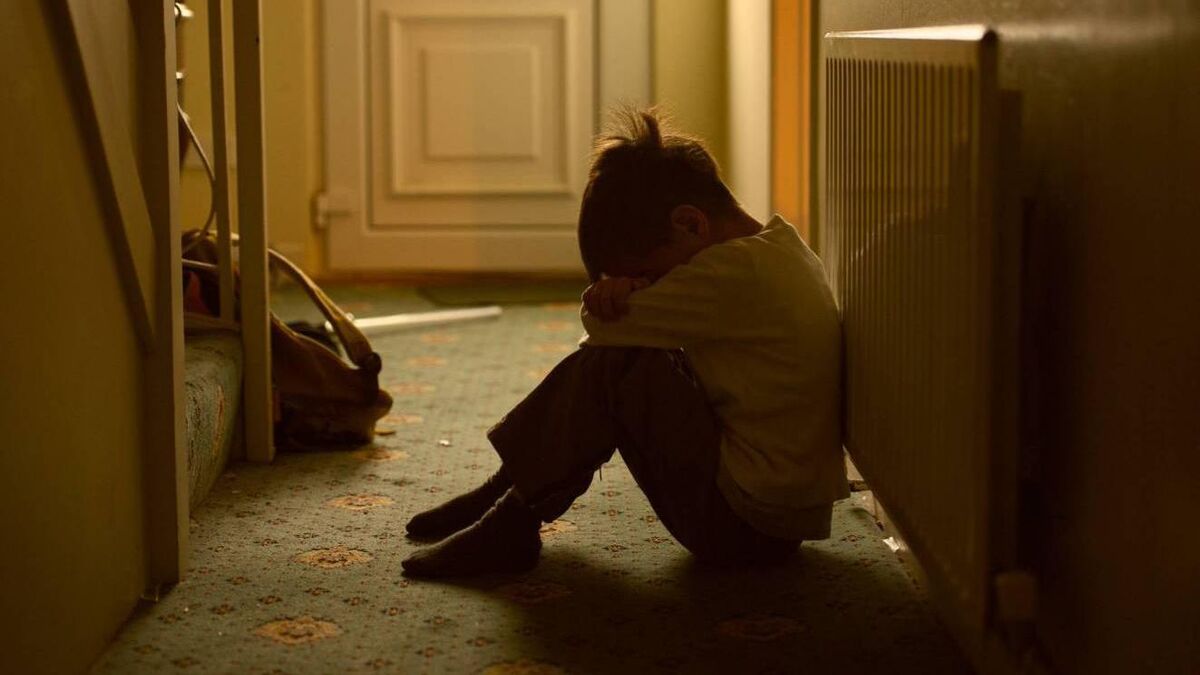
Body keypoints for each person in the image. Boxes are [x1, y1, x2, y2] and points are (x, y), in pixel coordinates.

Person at [401, 108, 847, 578]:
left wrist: (608, 298)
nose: (648, 287)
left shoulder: (731, 273)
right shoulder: (778, 250)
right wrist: (637, 288)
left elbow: (605, 329)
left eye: (648, 276)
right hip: (776, 517)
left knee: (619, 363)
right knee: (638, 357)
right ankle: (507, 494)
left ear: (690, 225)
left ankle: (513, 515)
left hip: (744, 527)